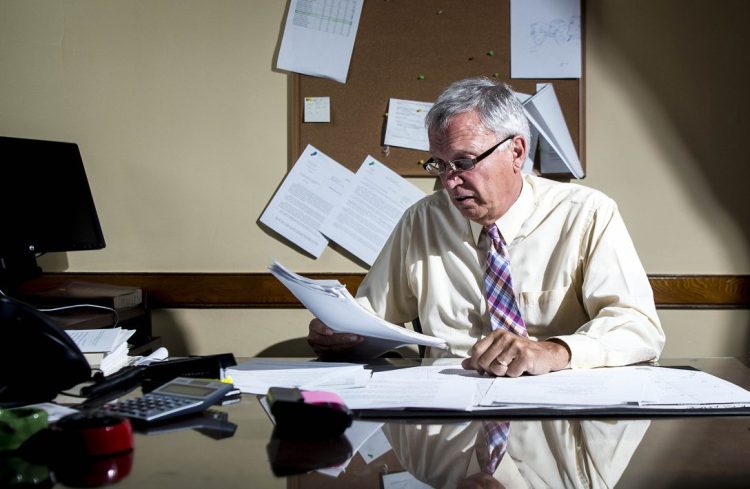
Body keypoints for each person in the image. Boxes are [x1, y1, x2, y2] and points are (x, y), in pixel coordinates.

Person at [308, 76, 664, 376]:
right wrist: (344, 334)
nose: (449, 182)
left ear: (517, 152)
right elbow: (372, 320)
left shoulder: (586, 214)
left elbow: (639, 328)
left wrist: (552, 351)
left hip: (554, 420)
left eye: (463, 162)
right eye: (440, 165)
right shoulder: (422, 220)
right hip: (446, 421)